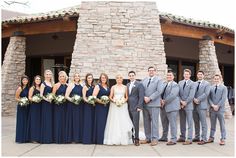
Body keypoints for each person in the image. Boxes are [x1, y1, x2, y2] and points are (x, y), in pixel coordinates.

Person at [104, 74, 133, 145]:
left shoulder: (125, 87)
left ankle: (124, 139)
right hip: (114, 106)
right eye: (117, 78)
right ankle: (114, 139)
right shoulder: (113, 87)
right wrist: (115, 101)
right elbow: (110, 97)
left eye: (120, 78)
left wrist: (123, 101)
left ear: (122, 79)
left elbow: (126, 97)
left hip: (123, 105)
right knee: (115, 121)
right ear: (116, 79)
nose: (119, 79)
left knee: (123, 120)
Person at [141, 66, 164, 146]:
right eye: (149, 70)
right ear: (148, 71)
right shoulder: (144, 80)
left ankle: (155, 139)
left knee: (154, 122)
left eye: (152, 70)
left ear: (155, 71)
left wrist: (150, 98)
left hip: (154, 104)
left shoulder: (159, 80)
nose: (151, 72)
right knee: (146, 122)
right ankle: (148, 138)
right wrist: (144, 97)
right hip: (145, 104)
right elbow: (141, 90)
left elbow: (159, 91)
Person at [160, 71, 180, 145]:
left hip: (172, 107)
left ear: (173, 77)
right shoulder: (164, 84)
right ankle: (164, 137)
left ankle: (173, 139)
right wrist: (160, 100)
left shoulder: (175, 85)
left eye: (170, 75)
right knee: (164, 123)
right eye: (168, 75)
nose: (169, 76)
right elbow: (160, 93)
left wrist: (164, 101)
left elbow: (172, 95)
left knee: (173, 124)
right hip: (163, 107)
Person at [177, 69, 196, 145]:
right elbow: (177, 93)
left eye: (187, 74)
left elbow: (191, 95)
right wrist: (181, 101)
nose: (186, 75)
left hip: (188, 106)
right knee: (182, 122)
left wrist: (185, 102)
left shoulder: (193, 83)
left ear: (190, 75)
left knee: (189, 122)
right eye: (185, 74)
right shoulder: (180, 83)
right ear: (183, 75)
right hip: (181, 105)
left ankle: (189, 138)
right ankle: (182, 137)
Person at [207, 74, 227, 145]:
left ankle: (223, 138)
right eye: (215, 79)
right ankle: (211, 137)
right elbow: (209, 98)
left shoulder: (224, 88)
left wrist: (218, 106)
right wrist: (212, 105)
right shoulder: (211, 87)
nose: (216, 80)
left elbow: (223, 98)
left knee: (222, 124)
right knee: (212, 124)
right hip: (212, 109)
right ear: (213, 79)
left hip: (220, 109)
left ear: (220, 79)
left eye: (217, 79)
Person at [192, 71, 211, 145]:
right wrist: (193, 99)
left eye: (201, 74)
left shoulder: (207, 84)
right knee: (196, 122)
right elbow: (191, 93)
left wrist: (198, 99)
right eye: (198, 74)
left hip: (202, 106)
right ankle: (197, 137)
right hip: (194, 105)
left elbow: (206, 93)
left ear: (203, 75)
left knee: (203, 123)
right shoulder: (194, 83)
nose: (199, 76)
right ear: (197, 75)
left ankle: (204, 138)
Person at [127, 71, 144, 146]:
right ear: (128, 77)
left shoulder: (139, 84)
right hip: (128, 107)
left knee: (136, 124)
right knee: (130, 123)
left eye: (132, 75)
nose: (131, 77)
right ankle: (132, 137)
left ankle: (137, 139)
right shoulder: (127, 85)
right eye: (130, 76)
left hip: (135, 107)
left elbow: (141, 96)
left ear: (135, 76)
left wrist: (139, 106)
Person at [65, 72, 83, 143]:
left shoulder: (81, 85)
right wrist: (73, 100)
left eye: (78, 76)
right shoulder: (71, 85)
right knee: (73, 121)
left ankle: (79, 138)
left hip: (80, 106)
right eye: (75, 76)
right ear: (74, 78)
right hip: (72, 106)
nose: (77, 77)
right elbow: (66, 96)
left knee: (79, 121)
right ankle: (73, 138)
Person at [93, 73, 110, 144]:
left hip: (107, 107)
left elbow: (109, 96)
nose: (103, 79)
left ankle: (105, 139)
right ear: (100, 79)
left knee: (106, 123)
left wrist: (108, 100)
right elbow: (94, 96)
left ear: (106, 79)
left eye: (104, 78)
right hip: (100, 107)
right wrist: (101, 102)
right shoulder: (98, 86)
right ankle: (99, 139)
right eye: (102, 78)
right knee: (100, 122)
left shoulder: (108, 86)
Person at [52, 71, 68, 144]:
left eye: (63, 76)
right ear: (59, 77)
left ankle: (64, 138)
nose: (62, 78)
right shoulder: (56, 85)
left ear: (65, 77)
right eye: (61, 76)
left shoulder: (67, 85)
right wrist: (58, 99)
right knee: (58, 120)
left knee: (64, 121)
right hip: (58, 105)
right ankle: (57, 138)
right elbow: (53, 95)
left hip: (65, 105)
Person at [15, 75, 30, 143]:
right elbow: (16, 98)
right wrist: (22, 101)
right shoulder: (20, 88)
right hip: (21, 107)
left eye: (26, 80)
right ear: (21, 81)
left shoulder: (28, 88)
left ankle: (26, 138)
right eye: (24, 80)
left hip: (27, 107)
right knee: (21, 121)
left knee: (26, 121)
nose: (25, 81)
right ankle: (20, 138)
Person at [27, 75, 42, 143]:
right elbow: (29, 97)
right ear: (34, 80)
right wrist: (34, 99)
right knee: (34, 121)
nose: (38, 80)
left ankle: (38, 137)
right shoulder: (32, 88)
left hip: (40, 106)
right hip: (34, 106)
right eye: (37, 79)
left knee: (39, 121)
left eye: (39, 79)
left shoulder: (41, 87)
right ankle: (33, 138)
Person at [82, 73, 95, 144]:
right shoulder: (85, 87)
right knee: (88, 122)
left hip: (93, 105)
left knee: (92, 121)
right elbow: (84, 97)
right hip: (87, 106)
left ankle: (92, 138)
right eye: (88, 78)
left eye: (91, 78)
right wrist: (89, 102)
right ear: (86, 79)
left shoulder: (93, 86)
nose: (90, 79)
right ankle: (87, 139)